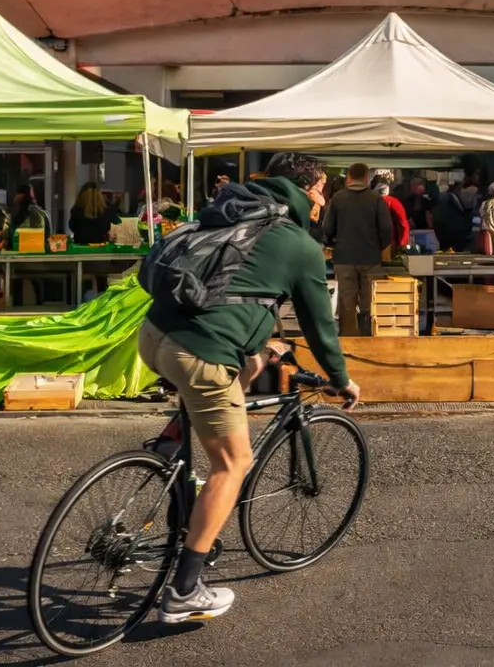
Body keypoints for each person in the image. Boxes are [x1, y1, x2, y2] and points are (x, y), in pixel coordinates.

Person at [138, 151, 359, 623]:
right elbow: (322, 328)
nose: (323, 198)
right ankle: (184, 591)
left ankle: (170, 446)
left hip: (155, 335)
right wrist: (341, 380)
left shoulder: (232, 208)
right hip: (201, 352)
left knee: (245, 363)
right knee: (234, 462)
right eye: (322, 188)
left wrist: (263, 346)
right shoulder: (298, 244)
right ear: (309, 188)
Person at [321, 163, 393, 336]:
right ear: (367, 177)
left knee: (347, 303)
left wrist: (333, 243)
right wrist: (378, 246)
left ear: (349, 177)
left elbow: (327, 228)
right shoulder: (376, 200)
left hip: (344, 258)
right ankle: (369, 337)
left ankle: (349, 340)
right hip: (370, 258)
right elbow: (386, 229)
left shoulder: (338, 198)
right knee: (370, 302)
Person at [433, 180, 474, 253]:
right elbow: (460, 210)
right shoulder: (452, 197)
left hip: (444, 228)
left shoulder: (443, 197)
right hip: (453, 229)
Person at [372, 180, 410, 252]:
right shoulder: (393, 202)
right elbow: (403, 224)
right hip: (390, 243)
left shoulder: (371, 202)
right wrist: (402, 244)